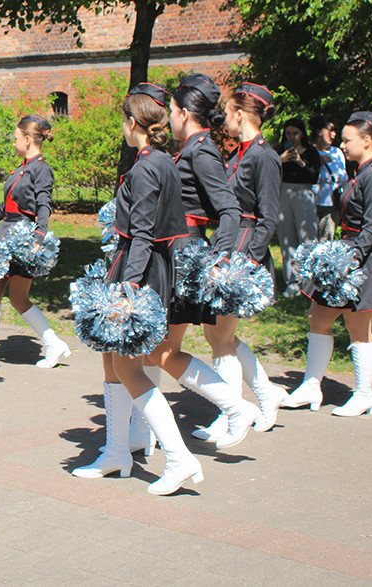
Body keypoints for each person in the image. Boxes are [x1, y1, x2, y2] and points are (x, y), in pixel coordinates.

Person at [72, 81, 203, 495]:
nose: (122, 128)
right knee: (113, 362)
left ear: (133, 122)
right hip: (140, 266)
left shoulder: (148, 166)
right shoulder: (162, 160)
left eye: (123, 121)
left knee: (129, 366)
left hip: (139, 270)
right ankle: (116, 452)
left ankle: (179, 458)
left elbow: (143, 233)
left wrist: (129, 289)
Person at [136, 77, 263, 450]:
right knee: (153, 348)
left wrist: (217, 258)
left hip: (183, 254)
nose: (169, 119)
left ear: (185, 113)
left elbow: (229, 209)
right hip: (173, 250)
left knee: (160, 351)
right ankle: (141, 435)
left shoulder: (201, 151)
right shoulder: (192, 147)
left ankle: (236, 407)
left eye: (172, 112)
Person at [283, 112, 372, 416]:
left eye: (348, 140)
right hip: (350, 253)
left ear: (367, 141)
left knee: (358, 326)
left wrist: (350, 261)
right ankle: (311, 386)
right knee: (318, 318)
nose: (344, 145)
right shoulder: (363, 171)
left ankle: (364, 394)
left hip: (366, 258)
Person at [195, 82, 287, 439]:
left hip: (244, 249)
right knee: (218, 333)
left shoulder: (263, 156)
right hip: (228, 244)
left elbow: (267, 217)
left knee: (220, 335)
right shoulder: (238, 153)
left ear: (240, 114)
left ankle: (231, 413)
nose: (224, 119)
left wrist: (246, 262)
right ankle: (264, 396)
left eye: (229, 111)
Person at [0, 114, 70, 369]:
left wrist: (40, 236)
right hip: (4, 232)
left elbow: (44, 204)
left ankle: (51, 344)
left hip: (21, 238)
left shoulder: (41, 169)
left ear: (28, 139)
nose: (13, 141)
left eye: (16, 138)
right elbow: (5, 206)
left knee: (16, 297)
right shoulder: (21, 168)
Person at [277, 117, 321, 296]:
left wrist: (300, 162)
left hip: (304, 193)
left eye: (295, 133)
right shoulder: (280, 151)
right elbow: (271, 171)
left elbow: (314, 176)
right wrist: (282, 159)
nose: (292, 137)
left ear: (302, 133)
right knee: (286, 237)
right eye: (288, 133)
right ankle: (292, 281)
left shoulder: (311, 152)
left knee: (307, 238)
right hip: (284, 192)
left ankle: (310, 281)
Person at [311, 115, 347, 240]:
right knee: (310, 240)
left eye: (334, 130)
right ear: (319, 131)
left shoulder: (337, 152)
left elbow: (344, 177)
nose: (334, 134)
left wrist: (337, 179)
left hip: (331, 205)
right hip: (311, 204)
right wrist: (317, 163)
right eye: (330, 130)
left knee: (326, 241)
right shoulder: (309, 152)